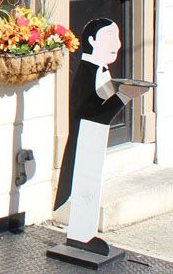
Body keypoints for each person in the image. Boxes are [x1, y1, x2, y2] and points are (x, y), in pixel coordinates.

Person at [53, 18, 150, 256]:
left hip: (93, 140)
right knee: (85, 186)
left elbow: (101, 100)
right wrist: (125, 96)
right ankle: (80, 235)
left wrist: (121, 93)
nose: (116, 44)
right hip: (86, 140)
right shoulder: (88, 72)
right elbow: (93, 113)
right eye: (109, 37)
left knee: (91, 186)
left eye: (117, 37)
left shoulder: (99, 71)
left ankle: (83, 234)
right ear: (92, 41)